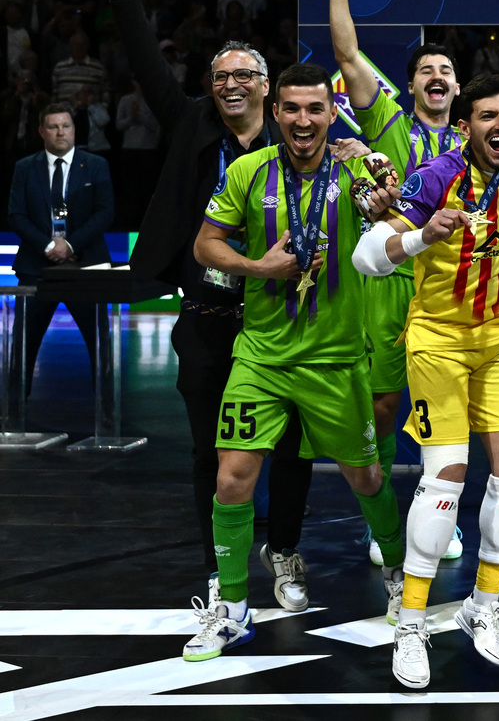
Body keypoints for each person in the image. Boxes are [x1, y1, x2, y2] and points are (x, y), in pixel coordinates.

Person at [106, 0, 315, 614]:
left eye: (244, 75)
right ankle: (217, 568)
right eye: (220, 76)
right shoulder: (192, 121)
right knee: (208, 452)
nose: (230, 85)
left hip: (281, 319)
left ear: (267, 86)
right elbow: (144, 62)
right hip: (206, 317)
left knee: (291, 448)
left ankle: (283, 549)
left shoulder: (294, 134)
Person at [353, 72, 499, 688]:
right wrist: (419, 236)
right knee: (445, 478)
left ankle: (484, 605)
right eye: (487, 116)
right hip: (438, 341)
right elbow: (366, 256)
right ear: (466, 126)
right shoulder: (435, 178)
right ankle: (411, 622)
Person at [185, 63, 407, 663]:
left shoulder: (360, 170)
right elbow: (206, 244)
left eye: (315, 109)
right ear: (276, 112)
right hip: (261, 355)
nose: (303, 120)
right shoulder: (248, 171)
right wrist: (258, 267)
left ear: (332, 113)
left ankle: (398, 571)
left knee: (366, 478)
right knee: (231, 478)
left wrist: (385, 209)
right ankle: (232, 610)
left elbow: (397, 231)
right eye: (292, 109)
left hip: (335, 359)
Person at [324, 0, 468, 566]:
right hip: (388, 284)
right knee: (384, 408)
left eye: (445, 72)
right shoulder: (386, 124)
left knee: (448, 413)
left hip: (452, 288)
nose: (436, 77)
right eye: (426, 71)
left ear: (457, 89)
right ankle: (382, 523)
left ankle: (442, 522)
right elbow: (347, 52)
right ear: (409, 88)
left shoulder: (477, 142)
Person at [7, 103, 113, 394]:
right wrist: (48, 245)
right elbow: (16, 214)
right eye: (53, 127)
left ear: (74, 130)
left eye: (66, 126)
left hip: (86, 267)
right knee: (23, 345)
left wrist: (70, 244)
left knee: (99, 343)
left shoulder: (96, 165)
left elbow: (105, 212)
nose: (60, 132)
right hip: (36, 269)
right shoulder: (25, 168)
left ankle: (105, 410)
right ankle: (14, 411)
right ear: (42, 131)